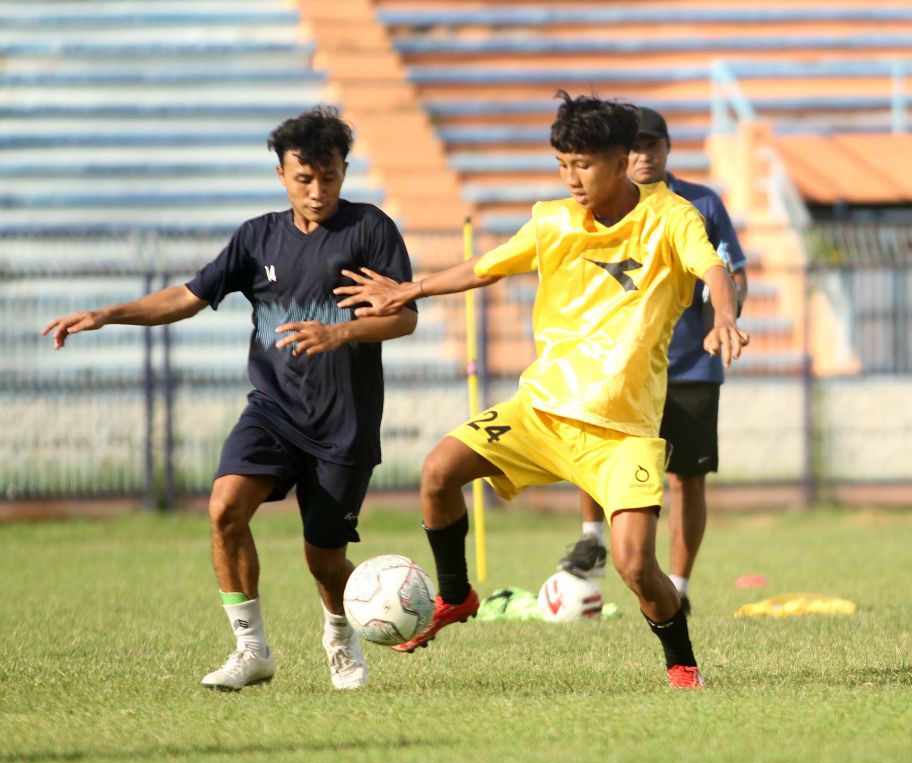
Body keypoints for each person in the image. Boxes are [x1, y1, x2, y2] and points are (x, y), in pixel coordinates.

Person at [334, 92, 748, 689]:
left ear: (621, 159)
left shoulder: (671, 216)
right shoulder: (552, 220)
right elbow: (486, 267)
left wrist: (723, 316)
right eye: (562, 164)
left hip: (622, 432)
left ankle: (682, 666)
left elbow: (713, 268)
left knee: (635, 564)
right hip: (543, 412)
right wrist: (411, 289)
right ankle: (456, 595)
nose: (571, 178)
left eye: (582, 164)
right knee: (438, 472)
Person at [41, 108, 418, 691]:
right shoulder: (256, 237)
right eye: (304, 179)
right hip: (273, 410)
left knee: (322, 560)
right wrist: (107, 314)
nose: (318, 192)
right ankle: (252, 650)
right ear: (281, 174)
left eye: (331, 178)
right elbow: (188, 297)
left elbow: (406, 319)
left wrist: (339, 332)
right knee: (224, 510)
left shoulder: (370, 230)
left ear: (345, 171)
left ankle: (341, 640)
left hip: (344, 422)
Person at [555, 106, 749, 616]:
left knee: (686, 478)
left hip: (688, 365)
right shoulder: (605, 205)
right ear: (620, 156)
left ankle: (679, 587)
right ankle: (591, 537)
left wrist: (724, 319)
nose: (643, 155)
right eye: (634, 147)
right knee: (594, 449)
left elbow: (731, 272)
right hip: (623, 365)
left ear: (667, 148)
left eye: (652, 146)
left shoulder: (700, 204)